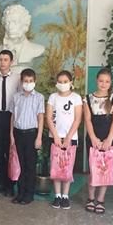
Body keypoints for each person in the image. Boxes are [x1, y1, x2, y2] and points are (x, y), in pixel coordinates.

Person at [84, 68, 113, 215]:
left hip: (109, 138)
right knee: (93, 169)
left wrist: (109, 140)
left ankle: (100, 199)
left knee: (105, 169)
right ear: (96, 81)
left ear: (111, 82)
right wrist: (93, 138)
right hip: (93, 138)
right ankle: (91, 198)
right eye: (101, 81)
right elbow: (88, 120)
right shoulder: (88, 99)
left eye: (107, 81)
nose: (103, 84)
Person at [46, 70, 83, 210]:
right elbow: (49, 118)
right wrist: (55, 135)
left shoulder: (76, 98)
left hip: (70, 138)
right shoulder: (53, 97)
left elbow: (77, 119)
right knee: (56, 167)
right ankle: (57, 195)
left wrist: (68, 137)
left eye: (65, 82)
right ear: (56, 83)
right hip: (55, 137)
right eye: (60, 82)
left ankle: (65, 196)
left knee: (67, 167)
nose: (63, 84)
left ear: (71, 82)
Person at [0, 50, 21, 196]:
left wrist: (17, 119)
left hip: (11, 116)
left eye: (5, 59)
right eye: (0, 59)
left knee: (10, 150)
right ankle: (0, 183)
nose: (2, 62)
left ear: (11, 62)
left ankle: (10, 185)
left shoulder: (17, 78)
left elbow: (20, 99)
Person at [9, 68, 44, 205]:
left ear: (35, 81)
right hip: (18, 133)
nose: (28, 83)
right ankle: (20, 192)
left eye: (30, 81)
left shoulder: (39, 97)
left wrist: (39, 137)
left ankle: (29, 194)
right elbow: (13, 117)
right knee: (20, 165)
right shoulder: (16, 97)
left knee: (30, 165)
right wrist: (11, 135)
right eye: (25, 81)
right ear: (21, 82)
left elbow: (40, 118)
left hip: (31, 134)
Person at [0, 4, 45, 71]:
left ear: (25, 25)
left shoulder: (37, 50)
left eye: (15, 22)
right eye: (7, 23)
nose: (10, 27)